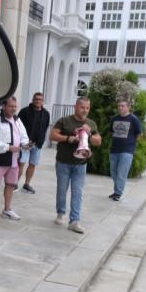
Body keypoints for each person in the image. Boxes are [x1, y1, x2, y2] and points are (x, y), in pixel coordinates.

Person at [49, 97, 101, 234]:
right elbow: (52, 135)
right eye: (82, 107)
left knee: (77, 191)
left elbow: (98, 141)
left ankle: (74, 221)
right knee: (62, 189)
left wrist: (89, 134)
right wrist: (67, 138)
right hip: (63, 162)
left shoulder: (90, 124)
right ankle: (60, 213)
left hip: (81, 164)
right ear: (75, 106)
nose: (85, 110)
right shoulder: (64, 121)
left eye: (87, 108)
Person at [0, 97, 29, 222]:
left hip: (14, 159)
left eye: (15, 106)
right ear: (3, 107)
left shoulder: (17, 120)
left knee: (10, 184)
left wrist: (25, 144)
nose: (13, 109)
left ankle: (7, 209)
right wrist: (8, 147)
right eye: (11, 106)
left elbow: (23, 136)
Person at [17, 92, 51, 194]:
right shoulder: (24, 111)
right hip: (25, 143)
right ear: (32, 100)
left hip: (38, 143)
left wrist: (42, 140)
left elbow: (45, 127)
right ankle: (14, 183)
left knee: (32, 164)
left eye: (40, 99)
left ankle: (27, 184)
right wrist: (21, 141)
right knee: (21, 163)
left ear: (43, 101)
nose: (37, 101)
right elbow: (17, 126)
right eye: (36, 99)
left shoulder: (46, 114)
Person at [108, 100, 142, 201]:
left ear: (128, 107)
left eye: (122, 106)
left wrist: (130, 142)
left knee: (121, 173)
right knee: (114, 173)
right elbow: (112, 131)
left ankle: (118, 193)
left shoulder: (134, 119)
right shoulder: (114, 119)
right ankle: (116, 191)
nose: (120, 108)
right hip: (114, 150)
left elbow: (139, 134)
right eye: (119, 106)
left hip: (127, 151)